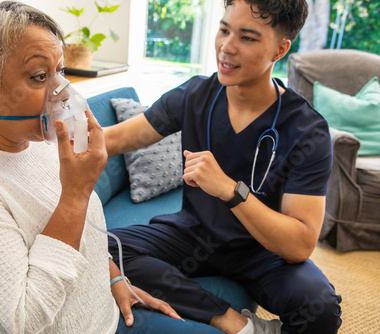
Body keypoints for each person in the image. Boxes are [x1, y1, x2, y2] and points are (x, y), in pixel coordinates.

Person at [0, 2, 181, 333]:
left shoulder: (36, 140)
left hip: (111, 316)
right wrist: (75, 194)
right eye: (39, 76)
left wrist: (114, 277)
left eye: (60, 71)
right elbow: (22, 322)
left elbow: (80, 234)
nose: (63, 93)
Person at [105, 0, 342, 333]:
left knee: (320, 307)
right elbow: (112, 140)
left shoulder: (307, 130)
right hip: (193, 234)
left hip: (261, 249)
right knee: (106, 246)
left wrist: (232, 191)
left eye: (247, 38)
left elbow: (300, 244)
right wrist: (61, 130)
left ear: (280, 49)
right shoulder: (195, 95)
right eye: (224, 30)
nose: (226, 48)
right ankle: (234, 322)